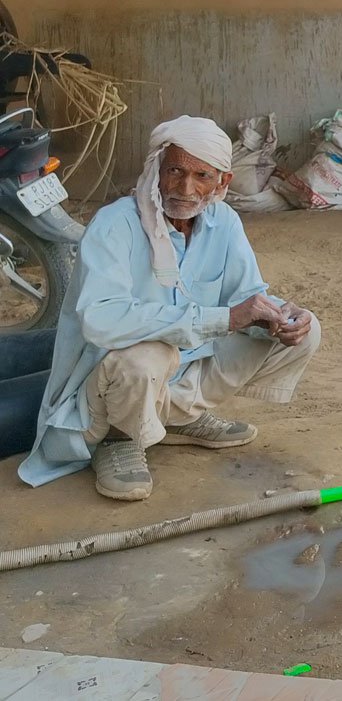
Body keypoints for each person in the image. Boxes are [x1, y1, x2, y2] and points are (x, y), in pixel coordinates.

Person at [19, 116, 320, 501]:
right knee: (147, 356)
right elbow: (102, 320)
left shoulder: (223, 222)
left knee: (304, 330)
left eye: (202, 176)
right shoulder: (116, 224)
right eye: (175, 170)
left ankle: (179, 417)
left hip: (179, 375)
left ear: (222, 182)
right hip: (107, 387)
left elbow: (246, 295)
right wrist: (223, 318)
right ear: (156, 170)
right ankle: (119, 439)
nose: (185, 188)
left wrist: (279, 315)